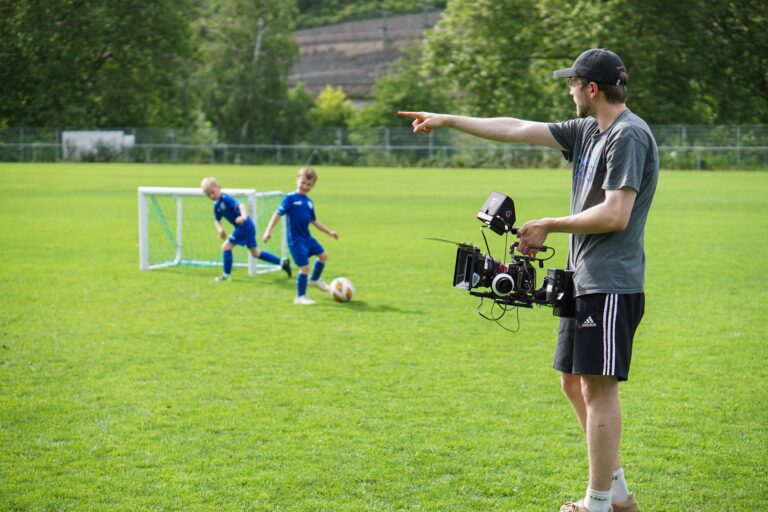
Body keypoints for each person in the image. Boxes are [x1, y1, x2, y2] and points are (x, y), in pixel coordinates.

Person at [399, 48, 657, 512]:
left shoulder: (627, 135)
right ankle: (617, 494)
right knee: (573, 383)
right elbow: (516, 128)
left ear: (591, 88)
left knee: (598, 387)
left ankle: (597, 503)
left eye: (573, 83)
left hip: (611, 282)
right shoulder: (588, 132)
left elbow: (616, 214)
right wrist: (448, 119)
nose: (569, 90)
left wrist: (548, 225)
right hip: (582, 278)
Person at [263, 167, 338, 305]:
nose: (305, 186)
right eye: (302, 183)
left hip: (307, 238)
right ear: (297, 180)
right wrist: (268, 231)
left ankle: (314, 279)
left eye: (309, 185)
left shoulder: (309, 202)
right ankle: (300, 297)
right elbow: (277, 214)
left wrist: (329, 232)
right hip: (296, 240)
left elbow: (314, 221)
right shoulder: (289, 199)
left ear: (313, 186)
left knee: (323, 256)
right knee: (304, 268)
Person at [200, 177, 291, 281]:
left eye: (212, 192)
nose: (211, 196)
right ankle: (282, 262)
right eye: (208, 195)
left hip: (245, 226)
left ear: (219, 187)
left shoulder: (226, 198)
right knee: (255, 253)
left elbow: (241, 206)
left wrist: (243, 217)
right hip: (246, 227)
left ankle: (226, 275)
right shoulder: (216, 205)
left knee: (226, 247)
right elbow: (217, 219)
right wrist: (220, 229)